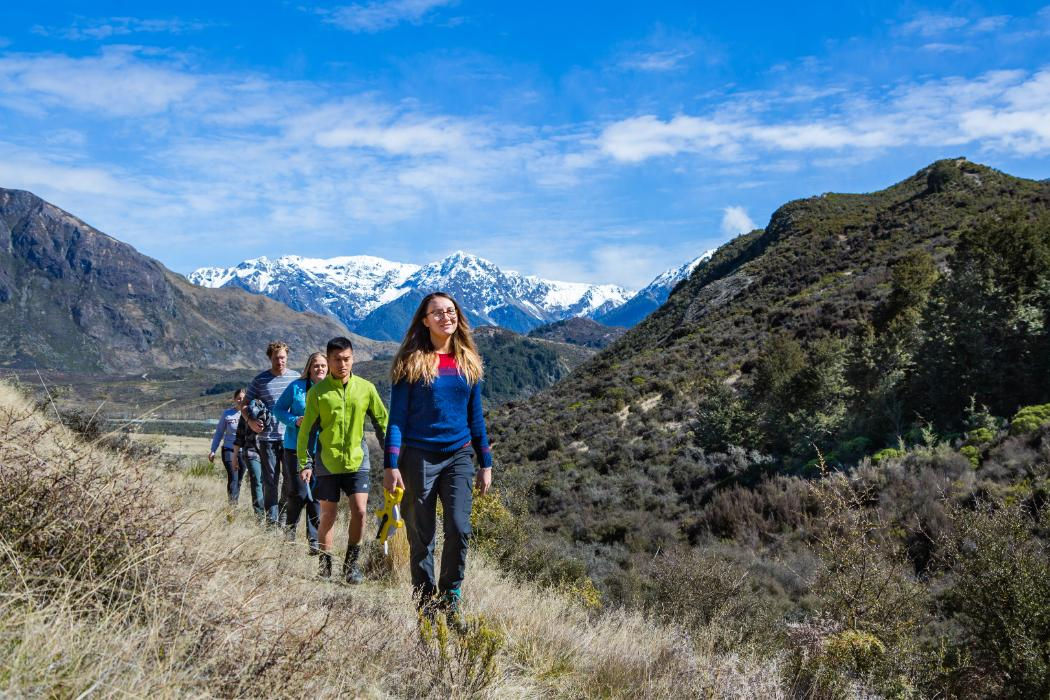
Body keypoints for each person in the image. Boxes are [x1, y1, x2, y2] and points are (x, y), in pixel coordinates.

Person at [383, 292, 492, 624]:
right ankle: (424, 604)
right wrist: (391, 464)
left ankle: (450, 595)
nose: (447, 316)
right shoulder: (410, 363)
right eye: (438, 313)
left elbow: (476, 417)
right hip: (418, 457)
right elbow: (397, 419)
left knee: (459, 528)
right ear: (425, 320)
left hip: (458, 455)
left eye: (451, 311)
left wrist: (485, 462)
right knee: (422, 536)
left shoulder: (468, 362)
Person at [298, 337, 389, 583]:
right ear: (328, 360)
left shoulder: (366, 388)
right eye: (336, 360)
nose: (342, 364)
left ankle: (351, 566)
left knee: (360, 511)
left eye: (346, 359)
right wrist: (305, 463)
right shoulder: (318, 393)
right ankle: (325, 566)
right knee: (328, 516)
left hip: (358, 461)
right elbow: (307, 431)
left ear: (353, 358)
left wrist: (392, 459)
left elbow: (383, 423)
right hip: (327, 462)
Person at [273, 352, 326, 554]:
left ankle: (314, 540)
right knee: (299, 492)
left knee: (317, 496)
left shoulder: (331, 389)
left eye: (323, 366)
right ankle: (290, 533)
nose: (319, 369)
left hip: (320, 449)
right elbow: (278, 410)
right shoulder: (296, 387)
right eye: (316, 366)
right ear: (309, 368)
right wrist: (294, 420)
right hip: (295, 447)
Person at [242, 341, 297, 528]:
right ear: (270, 358)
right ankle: (271, 524)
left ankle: (282, 514)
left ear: (287, 357)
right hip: (267, 439)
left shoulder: (296, 378)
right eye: (276, 358)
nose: (279, 361)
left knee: (290, 481)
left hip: (290, 438)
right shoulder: (260, 380)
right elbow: (244, 403)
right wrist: (250, 421)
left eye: (282, 357)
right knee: (270, 481)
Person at [209, 388, 245, 504]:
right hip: (229, 450)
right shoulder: (227, 414)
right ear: (234, 399)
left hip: (244, 452)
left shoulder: (250, 413)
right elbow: (219, 432)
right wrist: (213, 450)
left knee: (239, 479)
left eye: (243, 398)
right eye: (238, 398)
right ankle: (232, 507)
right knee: (233, 476)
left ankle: (235, 501)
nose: (240, 400)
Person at [232, 398, 266, 522]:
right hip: (251, 451)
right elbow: (239, 436)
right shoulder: (246, 414)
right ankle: (259, 516)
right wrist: (234, 456)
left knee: (268, 483)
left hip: (269, 451)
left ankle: (271, 515)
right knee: (257, 481)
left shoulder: (272, 409)